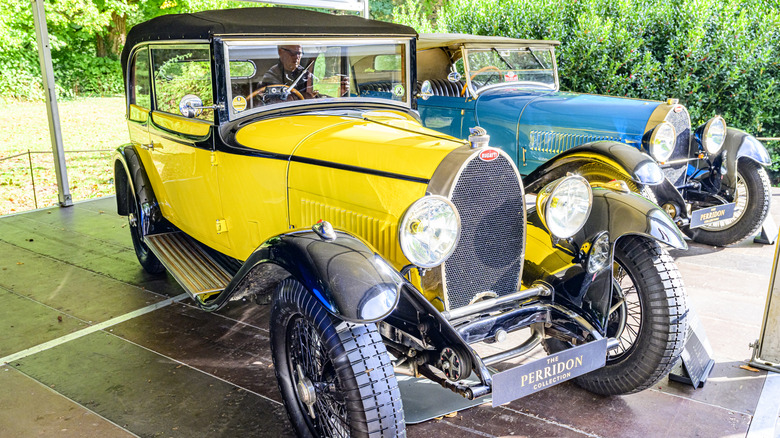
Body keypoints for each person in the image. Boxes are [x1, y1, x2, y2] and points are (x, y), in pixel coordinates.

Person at [260, 45, 349, 99]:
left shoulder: (304, 74)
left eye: (299, 53)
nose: (296, 57)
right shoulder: (271, 76)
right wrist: (305, 97)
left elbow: (316, 97)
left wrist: (338, 93)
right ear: (281, 52)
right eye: (292, 53)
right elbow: (274, 102)